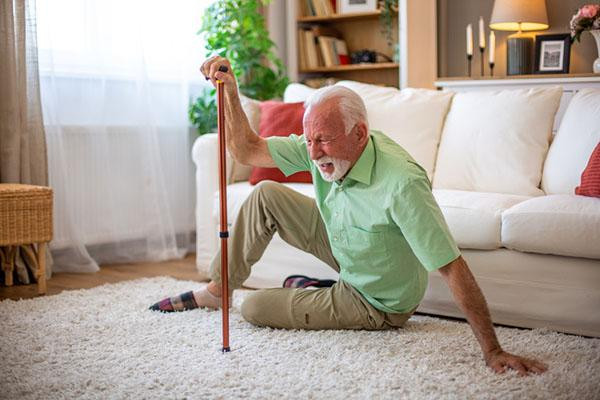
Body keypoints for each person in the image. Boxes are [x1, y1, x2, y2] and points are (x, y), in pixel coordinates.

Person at [150, 56, 547, 376]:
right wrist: (231, 92)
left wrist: (493, 350)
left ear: (360, 133)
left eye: (323, 140)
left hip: (376, 299)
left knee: (254, 308)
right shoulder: (317, 145)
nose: (315, 151)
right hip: (347, 244)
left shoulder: (402, 183)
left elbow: (452, 267)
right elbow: (247, 151)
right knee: (266, 193)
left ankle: (321, 292)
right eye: (310, 140)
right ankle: (218, 291)